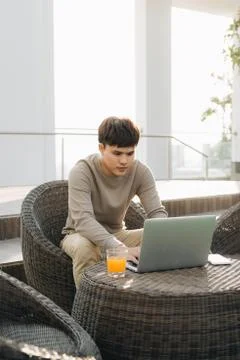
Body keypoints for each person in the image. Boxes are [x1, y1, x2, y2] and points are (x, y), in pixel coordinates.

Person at [61, 116, 168, 287]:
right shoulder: (82, 171)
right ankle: (89, 306)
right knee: (85, 248)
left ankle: (156, 295)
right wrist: (118, 248)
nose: (124, 160)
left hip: (118, 234)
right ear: (102, 148)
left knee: (166, 237)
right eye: (117, 153)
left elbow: (157, 212)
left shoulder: (141, 172)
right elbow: (83, 221)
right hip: (79, 235)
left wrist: (160, 235)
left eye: (130, 153)